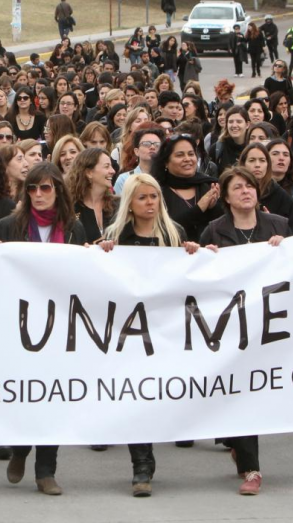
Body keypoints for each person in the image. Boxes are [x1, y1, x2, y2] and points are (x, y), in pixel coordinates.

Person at [98, 172, 199, 496]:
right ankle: (141, 464)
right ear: (130, 202)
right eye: (142, 197)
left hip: (165, 329)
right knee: (134, 397)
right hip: (129, 333)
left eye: (153, 196)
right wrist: (101, 252)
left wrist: (196, 254)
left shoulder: (174, 233)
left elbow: (190, 278)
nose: (149, 203)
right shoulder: (117, 235)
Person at [0, 162, 86, 496]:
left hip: (60, 324)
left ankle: (46, 470)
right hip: (19, 324)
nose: (38, 194)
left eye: (45, 188)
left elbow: (85, 276)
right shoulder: (8, 225)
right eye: (32, 188)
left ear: (58, 190)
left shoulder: (74, 228)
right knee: (25, 393)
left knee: (55, 397)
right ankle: (20, 450)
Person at [199, 166, 290, 495]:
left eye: (250, 186)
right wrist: (205, 257)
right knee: (240, 393)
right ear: (226, 197)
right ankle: (252, 469)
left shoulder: (278, 225)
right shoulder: (215, 230)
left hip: (269, 323)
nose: (246, 192)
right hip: (232, 327)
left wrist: (285, 249)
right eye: (237, 188)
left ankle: (240, 446)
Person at [152, 133, 222, 241]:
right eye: (180, 155)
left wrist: (214, 208)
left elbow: (223, 225)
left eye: (191, 154)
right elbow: (162, 228)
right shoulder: (157, 191)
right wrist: (199, 208)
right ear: (166, 162)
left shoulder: (209, 185)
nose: (187, 159)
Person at [67, 147, 117, 243]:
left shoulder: (118, 205)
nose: (113, 171)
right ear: (89, 173)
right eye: (107, 166)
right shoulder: (71, 209)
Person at [239, 142, 293, 221]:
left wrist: (271, 223)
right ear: (243, 164)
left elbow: (289, 229)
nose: (257, 165)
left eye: (262, 160)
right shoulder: (233, 192)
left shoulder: (282, 197)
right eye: (252, 160)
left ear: (268, 164)